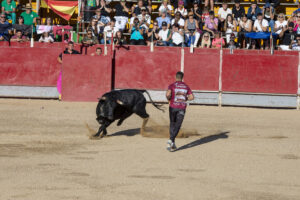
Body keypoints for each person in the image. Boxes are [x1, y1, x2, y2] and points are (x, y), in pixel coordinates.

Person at [166, 71, 194, 151]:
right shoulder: (186, 86)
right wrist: (185, 98)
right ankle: (171, 141)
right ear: (182, 77)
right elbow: (192, 97)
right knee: (178, 125)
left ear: (175, 77)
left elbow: (168, 95)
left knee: (172, 123)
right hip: (181, 107)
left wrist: (169, 99)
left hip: (172, 107)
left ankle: (171, 141)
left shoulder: (172, 85)